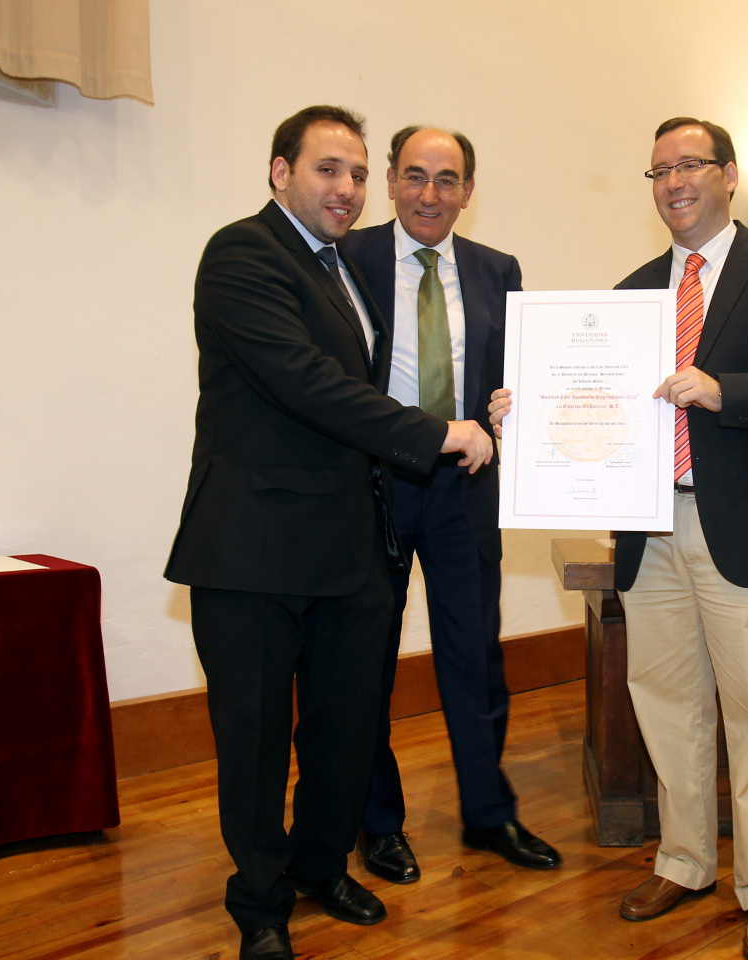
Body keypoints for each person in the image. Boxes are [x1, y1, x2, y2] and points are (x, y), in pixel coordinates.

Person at [492, 117, 748, 960]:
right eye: (658, 170)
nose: (672, 181)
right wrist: (532, 409)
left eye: (689, 164)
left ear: (730, 175)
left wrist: (727, 391)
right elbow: (606, 406)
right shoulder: (632, 293)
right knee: (665, 704)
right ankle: (685, 860)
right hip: (650, 529)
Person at [164, 105, 494, 960]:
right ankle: (261, 903)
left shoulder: (343, 267)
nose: (345, 189)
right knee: (258, 741)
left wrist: (485, 408)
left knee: (345, 731)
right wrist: (436, 432)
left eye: (354, 174)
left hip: (351, 547)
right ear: (281, 173)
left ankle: (320, 867)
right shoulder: (242, 253)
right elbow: (305, 382)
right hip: (255, 549)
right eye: (327, 170)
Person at [339, 126, 559, 882]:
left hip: (466, 489)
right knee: (366, 662)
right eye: (415, 177)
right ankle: (379, 825)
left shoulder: (500, 270)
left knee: (476, 657)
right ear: (392, 183)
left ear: (469, 189)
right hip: (376, 484)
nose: (430, 195)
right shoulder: (351, 257)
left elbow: (517, 377)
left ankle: (488, 814)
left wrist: (513, 405)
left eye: (448, 179)